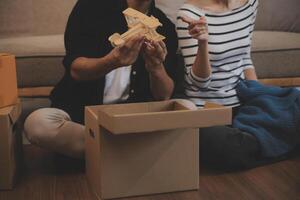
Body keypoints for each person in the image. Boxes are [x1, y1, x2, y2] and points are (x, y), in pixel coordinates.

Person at [24, 0, 179, 158]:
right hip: (82, 119)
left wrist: (156, 67)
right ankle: (130, 153)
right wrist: (112, 61)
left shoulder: (164, 26)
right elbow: (76, 70)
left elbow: (163, 95)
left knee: (187, 107)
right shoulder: (91, 7)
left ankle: (104, 154)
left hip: (130, 121)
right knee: (38, 124)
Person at [177, 0, 261, 169]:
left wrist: (260, 98)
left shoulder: (251, 3)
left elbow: (245, 57)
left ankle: (255, 144)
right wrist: (202, 42)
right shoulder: (189, 14)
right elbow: (199, 83)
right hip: (206, 112)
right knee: (228, 147)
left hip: (241, 106)